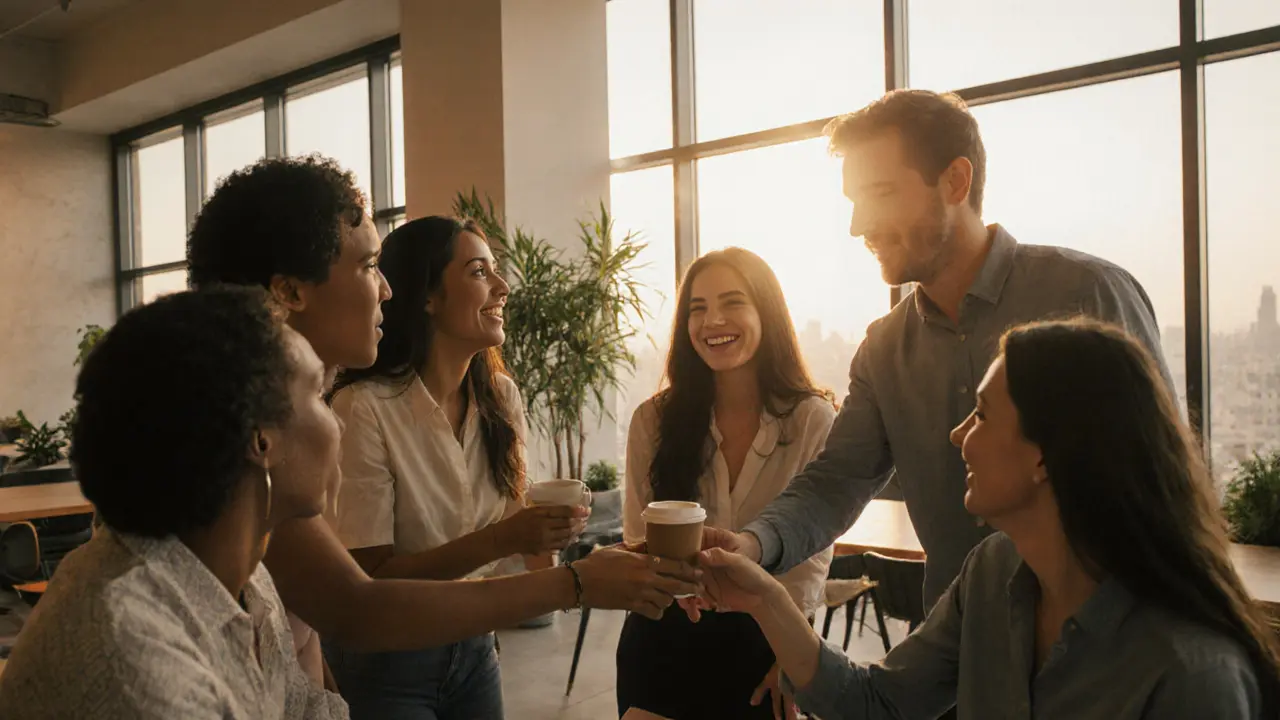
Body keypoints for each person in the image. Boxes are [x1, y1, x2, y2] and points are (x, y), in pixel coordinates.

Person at [186, 156, 701, 668]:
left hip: (472, 651)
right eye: (369, 267)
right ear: (290, 291)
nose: (386, 289)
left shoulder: (495, 397)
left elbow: (302, 648)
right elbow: (359, 607)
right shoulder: (255, 454)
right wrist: (574, 582)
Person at [707, 89, 1177, 612]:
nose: (857, 225)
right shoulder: (884, 349)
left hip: (1106, 662)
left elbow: (1165, 487)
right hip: (961, 666)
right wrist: (750, 545)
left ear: (956, 181)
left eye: (880, 193)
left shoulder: (1087, 294)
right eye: (854, 202)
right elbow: (835, 482)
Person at [697, 319, 1279, 719]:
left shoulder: (1190, 676)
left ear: (1044, 456)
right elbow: (880, 703)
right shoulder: (994, 572)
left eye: (980, 414)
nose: (958, 435)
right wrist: (764, 599)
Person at [0, 287, 349, 719]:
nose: (340, 422)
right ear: (261, 438)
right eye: (318, 394)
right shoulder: (132, 649)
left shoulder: (247, 585)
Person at [323, 216, 583, 718]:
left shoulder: (501, 397)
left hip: (475, 646)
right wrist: (509, 539)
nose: (504, 288)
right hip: (388, 660)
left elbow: (515, 532)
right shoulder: (363, 407)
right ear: (427, 297)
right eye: (480, 272)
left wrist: (550, 532)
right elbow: (373, 579)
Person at [616, 248, 836, 720]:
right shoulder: (653, 421)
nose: (713, 320)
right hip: (664, 635)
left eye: (733, 302)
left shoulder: (811, 419)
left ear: (767, 312)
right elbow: (638, 535)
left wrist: (792, 655)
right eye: (697, 308)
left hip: (767, 641)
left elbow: (813, 554)